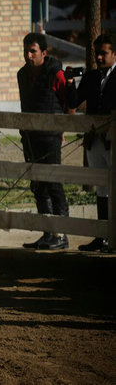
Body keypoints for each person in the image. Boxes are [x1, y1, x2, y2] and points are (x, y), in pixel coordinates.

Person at [17, 32, 70, 250]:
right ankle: (47, 232)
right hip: (30, 135)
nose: (29, 56)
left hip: (50, 136)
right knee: (38, 185)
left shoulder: (55, 72)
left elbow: (69, 101)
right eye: (26, 51)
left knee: (53, 183)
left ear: (44, 53)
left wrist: (62, 128)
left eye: (33, 51)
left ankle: (61, 234)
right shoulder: (22, 74)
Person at [65, 34, 115, 252]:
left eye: (103, 53)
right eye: (97, 53)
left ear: (115, 54)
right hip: (95, 140)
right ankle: (102, 236)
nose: (99, 57)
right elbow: (74, 101)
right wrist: (69, 83)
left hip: (114, 139)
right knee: (101, 188)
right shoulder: (91, 77)